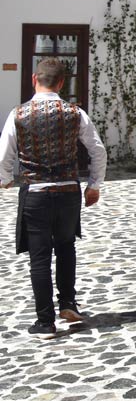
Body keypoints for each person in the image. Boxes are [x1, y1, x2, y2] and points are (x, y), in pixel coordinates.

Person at [0, 57, 107, 337]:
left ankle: (45, 321)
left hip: (35, 192)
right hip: (68, 191)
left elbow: (4, 154)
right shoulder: (75, 112)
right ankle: (68, 302)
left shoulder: (18, 113)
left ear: (34, 79)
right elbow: (98, 150)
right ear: (61, 83)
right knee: (66, 246)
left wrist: (6, 180)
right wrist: (94, 185)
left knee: (39, 256)